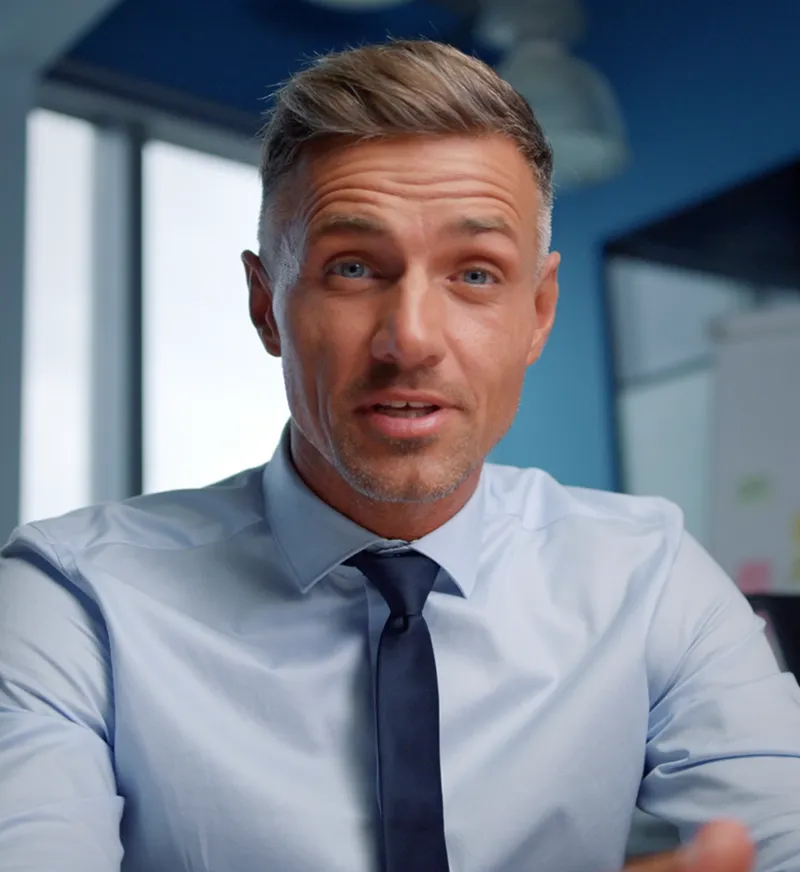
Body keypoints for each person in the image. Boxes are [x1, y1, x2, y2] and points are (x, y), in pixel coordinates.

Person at [0, 38, 798, 872]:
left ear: (540, 310)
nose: (411, 340)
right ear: (266, 306)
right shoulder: (70, 599)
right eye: (352, 267)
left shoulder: (653, 576)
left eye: (477, 275)